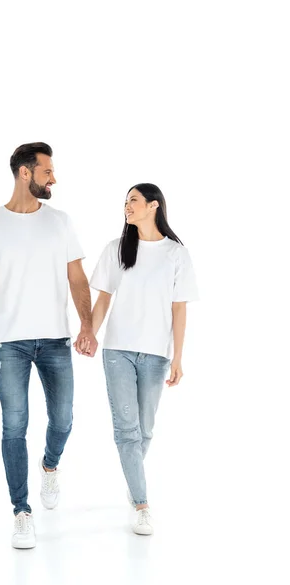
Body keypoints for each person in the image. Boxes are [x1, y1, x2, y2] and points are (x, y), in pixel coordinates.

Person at [0, 142, 97, 549]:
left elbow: (77, 278)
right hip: (9, 345)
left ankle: (50, 464)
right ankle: (21, 511)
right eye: (47, 171)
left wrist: (87, 326)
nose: (53, 178)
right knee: (14, 425)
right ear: (26, 173)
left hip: (55, 339)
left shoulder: (60, 222)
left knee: (64, 419)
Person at [82, 183, 199, 535]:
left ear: (153, 206)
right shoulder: (116, 249)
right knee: (126, 431)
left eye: (133, 200)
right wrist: (89, 332)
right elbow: (103, 298)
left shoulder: (176, 254)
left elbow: (179, 310)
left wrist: (178, 356)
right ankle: (142, 503)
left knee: (144, 430)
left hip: (156, 354)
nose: (126, 206)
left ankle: (133, 481)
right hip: (117, 349)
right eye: (125, 201)